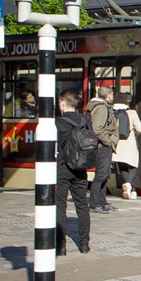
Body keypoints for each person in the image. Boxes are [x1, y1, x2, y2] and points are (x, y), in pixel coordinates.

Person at [55, 91, 91, 255]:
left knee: (60, 207)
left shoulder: (57, 123)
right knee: (82, 205)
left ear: (62, 103)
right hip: (81, 168)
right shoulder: (85, 120)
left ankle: (60, 246)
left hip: (63, 168)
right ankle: (84, 244)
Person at [87, 86, 119, 214]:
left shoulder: (103, 106)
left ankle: (102, 201)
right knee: (101, 175)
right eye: (112, 94)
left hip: (105, 145)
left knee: (105, 174)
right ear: (109, 95)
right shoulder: (101, 107)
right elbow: (98, 129)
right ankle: (95, 203)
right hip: (103, 146)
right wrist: (108, 142)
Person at [113, 92, 140, 199]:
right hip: (129, 143)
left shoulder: (111, 112)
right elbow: (139, 129)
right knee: (133, 165)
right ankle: (129, 184)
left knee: (123, 166)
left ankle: (131, 190)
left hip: (116, 143)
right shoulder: (131, 112)